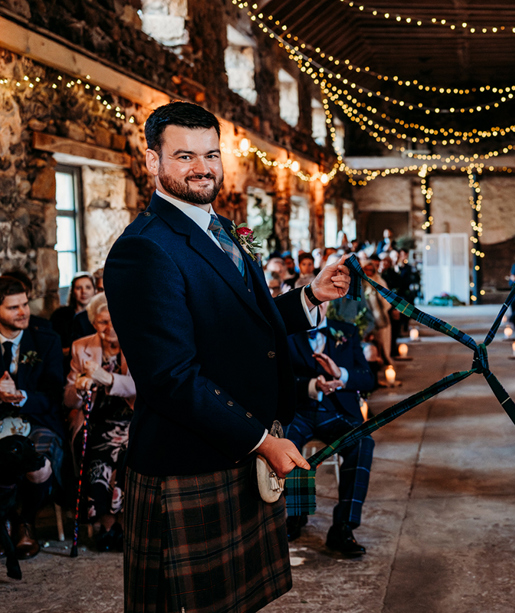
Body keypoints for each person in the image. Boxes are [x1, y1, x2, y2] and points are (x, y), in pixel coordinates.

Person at [104, 101, 351, 612]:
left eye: (211, 154)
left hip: (236, 446)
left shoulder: (221, 229)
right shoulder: (144, 249)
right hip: (190, 462)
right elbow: (169, 378)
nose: (202, 168)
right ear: (152, 162)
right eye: (184, 155)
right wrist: (261, 440)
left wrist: (309, 297)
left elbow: (244, 324)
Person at [285, 301, 375, 556]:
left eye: (319, 303)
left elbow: (368, 378)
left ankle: (343, 527)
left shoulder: (345, 330)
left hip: (337, 412)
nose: (315, 308)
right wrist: (311, 385)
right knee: (288, 443)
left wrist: (341, 374)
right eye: (309, 302)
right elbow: (275, 380)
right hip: (299, 411)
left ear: (326, 304)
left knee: (362, 442)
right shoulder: (285, 331)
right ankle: (296, 515)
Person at [63, 293, 136, 552]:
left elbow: (140, 388)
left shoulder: (137, 342)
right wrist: (80, 388)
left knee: (125, 452)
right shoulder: (81, 347)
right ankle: (106, 526)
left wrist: (105, 378)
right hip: (95, 419)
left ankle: (124, 527)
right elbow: (69, 399)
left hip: (132, 418)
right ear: (94, 322)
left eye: (115, 321)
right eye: (103, 322)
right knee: (97, 452)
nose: (110, 328)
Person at [0, 275, 64, 560]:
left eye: (24, 304)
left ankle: (26, 521)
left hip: (38, 419)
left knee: (38, 467)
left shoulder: (45, 337)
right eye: (13, 308)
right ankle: (5, 520)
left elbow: (54, 395)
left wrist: (22, 396)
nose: (23, 311)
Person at [50, 272, 95, 356]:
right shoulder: (59, 315)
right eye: (78, 288)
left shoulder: (99, 316)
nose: (83, 291)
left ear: (94, 291)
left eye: (88, 287)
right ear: (73, 292)